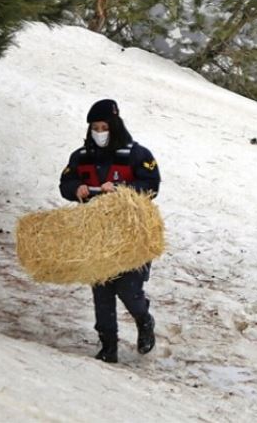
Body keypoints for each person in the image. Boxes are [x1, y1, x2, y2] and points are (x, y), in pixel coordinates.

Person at [59, 99, 161, 363]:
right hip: (96, 235)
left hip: (131, 235)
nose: (100, 132)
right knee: (102, 290)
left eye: (104, 126)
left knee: (128, 289)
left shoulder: (138, 155)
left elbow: (151, 185)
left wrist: (122, 191)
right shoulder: (81, 157)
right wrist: (75, 190)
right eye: (95, 127)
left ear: (115, 126)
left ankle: (144, 319)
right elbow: (66, 181)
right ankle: (108, 346)